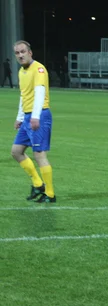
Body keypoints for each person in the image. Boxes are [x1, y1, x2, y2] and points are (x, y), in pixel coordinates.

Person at [11, 40, 56, 203]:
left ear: (30, 52)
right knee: (16, 152)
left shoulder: (38, 69)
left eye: (23, 51)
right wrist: (20, 117)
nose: (20, 55)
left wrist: (35, 116)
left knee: (39, 155)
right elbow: (24, 96)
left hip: (40, 115)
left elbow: (39, 93)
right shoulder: (21, 72)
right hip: (28, 117)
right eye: (17, 53)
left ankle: (50, 194)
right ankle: (38, 184)